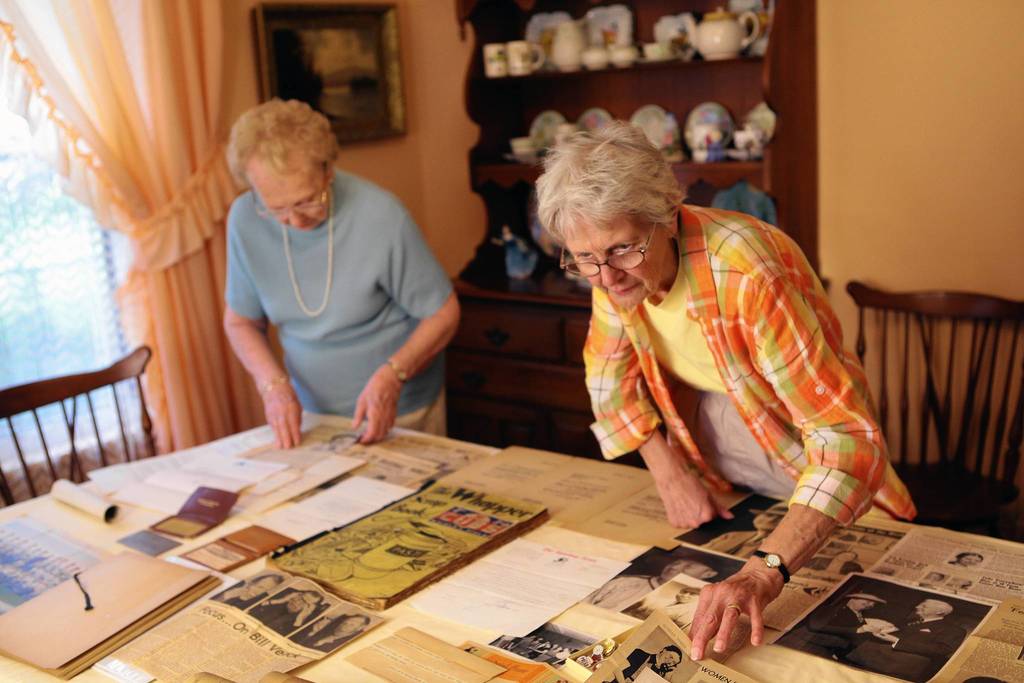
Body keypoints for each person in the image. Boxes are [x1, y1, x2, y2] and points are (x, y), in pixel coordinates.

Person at [535, 122, 917, 660]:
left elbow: (845, 439)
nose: (606, 277)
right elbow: (607, 379)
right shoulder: (611, 272)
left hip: (810, 461)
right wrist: (668, 471)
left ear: (667, 215)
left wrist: (768, 569)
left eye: (621, 249)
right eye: (584, 258)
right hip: (722, 463)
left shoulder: (746, 270)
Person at [225, 99, 459, 447]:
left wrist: (393, 375)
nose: (294, 220)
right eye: (277, 208)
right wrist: (272, 385)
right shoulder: (245, 220)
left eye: (307, 201)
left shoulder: (380, 215)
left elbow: (443, 313)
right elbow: (241, 321)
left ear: (328, 173)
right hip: (311, 415)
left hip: (400, 411)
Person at [803, 592, 890, 659]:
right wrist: (856, 630)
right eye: (868, 601)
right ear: (852, 598)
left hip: (849, 652)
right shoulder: (834, 609)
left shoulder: (861, 614)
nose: (871, 605)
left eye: (873, 604)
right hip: (824, 651)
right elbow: (815, 626)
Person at [215, 573, 286, 610]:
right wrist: (226, 596)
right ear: (251, 584)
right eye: (260, 587)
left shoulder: (258, 607)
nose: (260, 593)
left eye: (265, 592)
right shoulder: (233, 592)